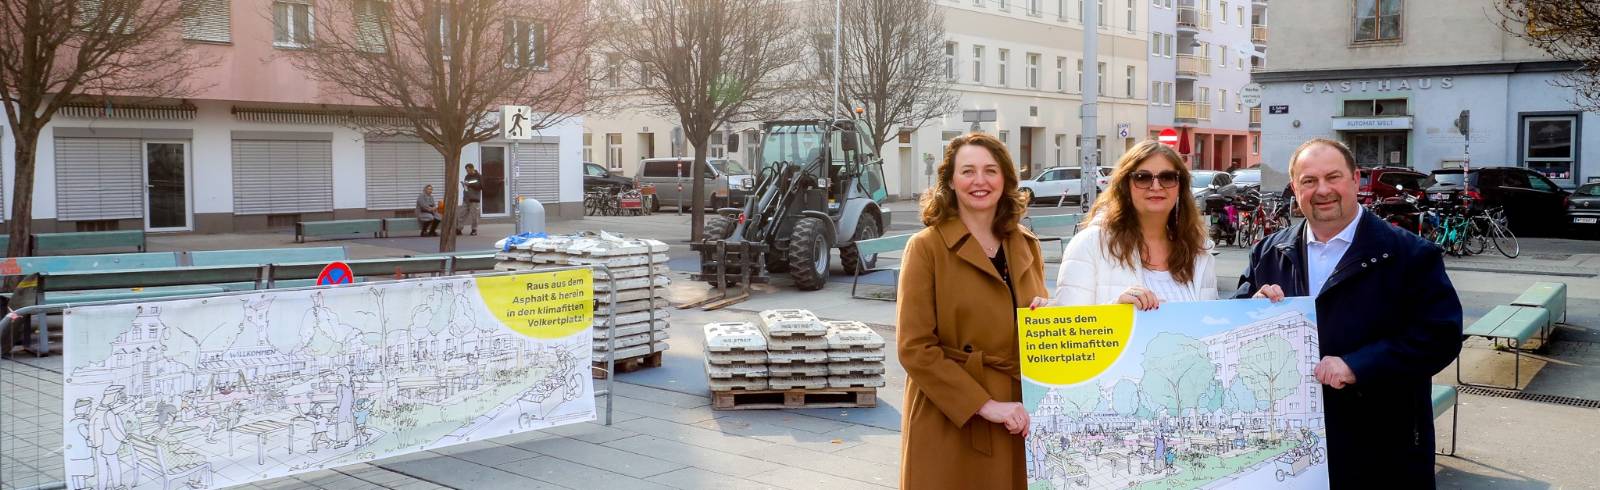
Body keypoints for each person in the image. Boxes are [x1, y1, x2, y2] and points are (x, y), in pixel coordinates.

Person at [1235, 138, 1461, 488]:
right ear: (1295, 188)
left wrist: (1358, 365)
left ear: (1356, 179)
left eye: (1333, 177)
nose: (1322, 190)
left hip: (1381, 447)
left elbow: (1440, 337)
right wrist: (1251, 310)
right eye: (1309, 181)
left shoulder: (1409, 255)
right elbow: (1237, 316)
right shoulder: (1268, 252)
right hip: (1292, 447)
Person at [897, 132, 1046, 489]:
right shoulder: (926, 248)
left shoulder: (1027, 245)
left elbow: (1037, 322)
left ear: (1006, 179)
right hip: (951, 415)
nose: (980, 181)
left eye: (990, 170)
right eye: (968, 171)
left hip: (1017, 415)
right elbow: (914, 348)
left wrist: (1046, 317)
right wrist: (985, 405)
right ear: (950, 181)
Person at [1049, 140, 1216, 309]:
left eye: (1167, 177)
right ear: (1125, 186)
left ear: (1180, 186)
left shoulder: (1199, 251)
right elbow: (1071, 328)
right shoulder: (1090, 244)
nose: (1156, 186)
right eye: (1143, 178)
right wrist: (1118, 311)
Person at [457, 164, 483, 236]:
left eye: (468, 170)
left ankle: (474, 230)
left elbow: (480, 186)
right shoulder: (467, 176)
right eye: (466, 170)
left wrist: (469, 184)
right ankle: (459, 229)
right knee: (461, 214)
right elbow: (466, 186)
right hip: (466, 199)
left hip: (474, 199)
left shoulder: (478, 176)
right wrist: (464, 185)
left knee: (474, 216)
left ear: (472, 169)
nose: (467, 172)